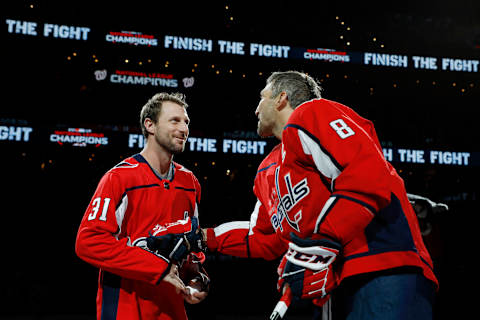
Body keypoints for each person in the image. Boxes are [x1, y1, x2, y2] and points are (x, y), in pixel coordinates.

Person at [202, 71, 438, 319]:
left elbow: (367, 172)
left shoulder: (313, 113)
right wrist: (201, 237)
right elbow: (263, 237)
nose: (256, 109)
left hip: (382, 266)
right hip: (333, 289)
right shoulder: (267, 169)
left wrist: (315, 247)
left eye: (262, 97)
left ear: (281, 98)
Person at [76, 92, 208, 320]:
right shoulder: (119, 177)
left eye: (186, 122)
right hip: (124, 306)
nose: (184, 129)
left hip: (171, 307)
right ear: (150, 125)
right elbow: (88, 242)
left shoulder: (190, 183)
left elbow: (190, 246)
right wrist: (157, 267)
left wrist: (196, 276)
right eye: (174, 120)